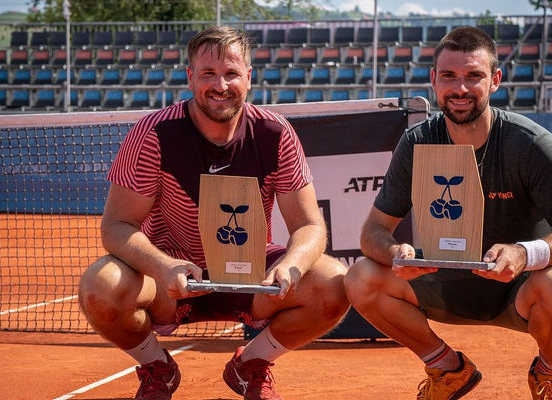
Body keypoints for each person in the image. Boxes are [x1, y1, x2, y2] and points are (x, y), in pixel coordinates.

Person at [78, 26, 349, 400]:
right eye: (208, 73)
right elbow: (116, 226)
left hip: (251, 277)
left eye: (231, 73)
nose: (220, 85)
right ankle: (157, 368)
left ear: (249, 77)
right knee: (100, 286)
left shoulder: (276, 133)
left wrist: (293, 265)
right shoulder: (153, 133)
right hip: (171, 282)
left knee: (335, 283)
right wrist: (162, 266)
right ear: (190, 77)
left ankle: (251, 364)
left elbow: (309, 226)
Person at [344, 26, 552, 400]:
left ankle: (546, 374)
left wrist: (525, 252)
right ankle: (447, 369)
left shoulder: (530, 144)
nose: (459, 89)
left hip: (518, 290)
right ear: (433, 80)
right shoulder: (416, 142)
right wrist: (395, 254)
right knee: (360, 276)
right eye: (449, 76)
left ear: (495, 80)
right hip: (439, 285)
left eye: (473, 76)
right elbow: (373, 233)